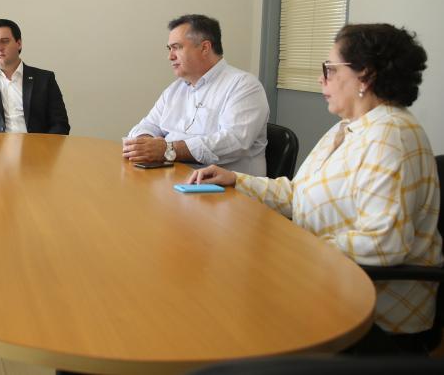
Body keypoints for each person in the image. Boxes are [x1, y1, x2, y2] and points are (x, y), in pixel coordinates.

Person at [188, 23, 443, 354]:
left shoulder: (390, 137)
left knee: (226, 311)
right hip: (322, 279)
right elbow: (300, 195)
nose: (321, 80)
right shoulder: (348, 128)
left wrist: (293, 252)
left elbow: (384, 244)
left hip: (370, 310)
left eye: (330, 69)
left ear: (364, 76)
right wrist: (236, 179)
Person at [122, 14, 269, 175]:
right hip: (178, 181)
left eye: (177, 47)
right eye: (169, 49)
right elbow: (147, 125)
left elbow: (235, 141)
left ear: (205, 48)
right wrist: (145, 144)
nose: (170, 56)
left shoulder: (244, 85)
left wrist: (169, 149)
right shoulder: (175, 89)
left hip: (226, 191)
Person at [0, 18, 70, 134]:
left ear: (18, 44)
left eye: (4, 41)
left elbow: (60, 124)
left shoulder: (45, 79)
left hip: (37, 149)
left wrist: (43, 149)